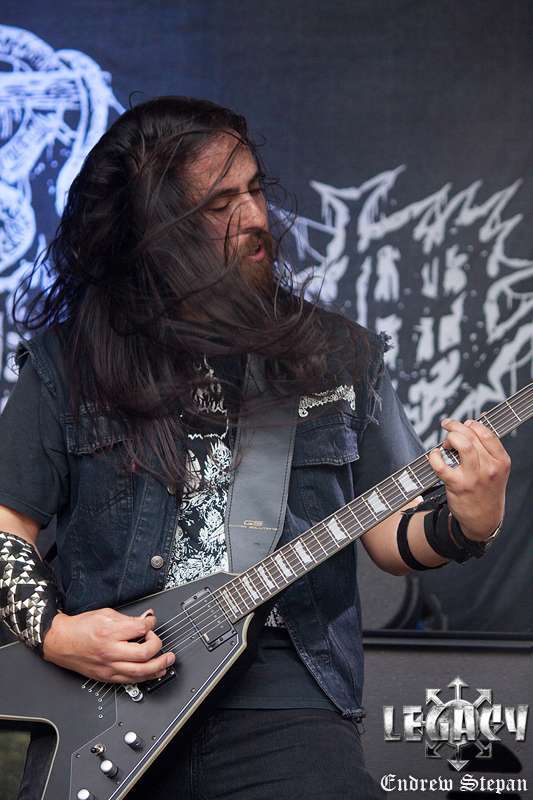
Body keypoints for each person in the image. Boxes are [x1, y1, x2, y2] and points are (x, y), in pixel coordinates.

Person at [0, 97, 510, 800]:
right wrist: (57, 634)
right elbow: (6, 530)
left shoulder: (335, 354)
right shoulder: (71, 361)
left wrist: (471, 521)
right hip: (103, 700)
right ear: (153, 228)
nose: (255, 218)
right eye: (219, 205)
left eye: (255, 190)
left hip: (284, 697)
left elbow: (393, 536)